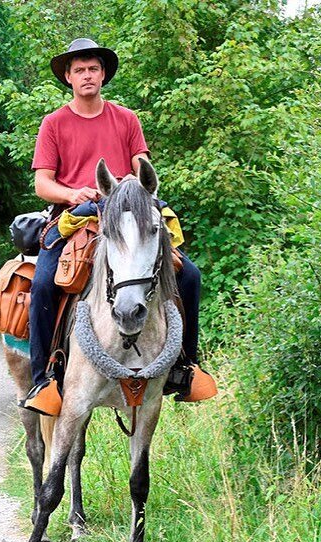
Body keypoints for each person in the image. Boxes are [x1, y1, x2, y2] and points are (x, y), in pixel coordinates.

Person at [22, 38, 213, 416]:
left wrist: (131, 181)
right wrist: (73, 192)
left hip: (128, 210)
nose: (87, 75)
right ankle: (42, 378)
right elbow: (42, 183)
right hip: (78, 215)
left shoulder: (126, 118)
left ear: (103, 74)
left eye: (93, 68)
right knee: (43, 282)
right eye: (79, 70)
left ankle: (183, 367)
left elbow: (142, 165)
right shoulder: (54, 123)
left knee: (189, 275)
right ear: (68, 77)